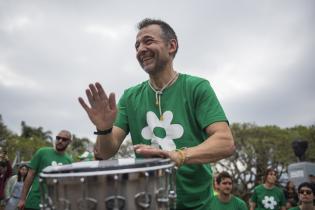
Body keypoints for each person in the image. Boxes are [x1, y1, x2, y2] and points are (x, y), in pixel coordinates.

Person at [79, 18, 235, 209]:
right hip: (147, 203)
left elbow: (225, 142)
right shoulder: (130, 96)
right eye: (136, 45)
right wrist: (103, 129)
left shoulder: (196, 87)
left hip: (197, 204)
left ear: (171, 46)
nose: (140, 49)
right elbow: (104, 152)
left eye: (148, 41)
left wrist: (179, 156)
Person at [17, 130, 72, 210]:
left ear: (69, 142)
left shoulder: (69, 161)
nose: (60, 141)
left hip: (54, 205)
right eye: (58, 138)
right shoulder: (42, 152)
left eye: (64, 139)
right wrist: (22, 199)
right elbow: (30, 175)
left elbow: (68, 185)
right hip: (34, 202)